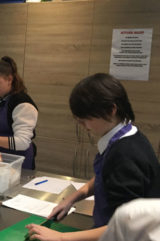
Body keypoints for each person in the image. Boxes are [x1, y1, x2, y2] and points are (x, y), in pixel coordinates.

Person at [25, 73, 160, 241]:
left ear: (111, 110)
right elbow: (106, 175)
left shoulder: (126, 155)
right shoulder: (127, 135)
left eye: (85, 119)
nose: (82, 125)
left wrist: (60, 238)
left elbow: (127, 227)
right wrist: (73, 198)